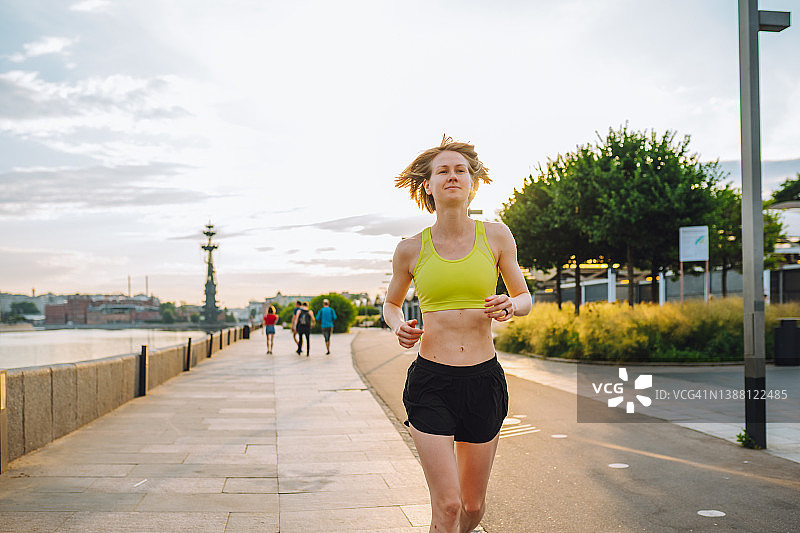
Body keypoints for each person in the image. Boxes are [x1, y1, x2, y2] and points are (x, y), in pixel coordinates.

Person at [383, 136, 532, 533]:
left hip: (484, 381)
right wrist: (399, 327)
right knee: (447, 506)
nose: (453, 176)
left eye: (461, 170)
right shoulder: (410, 249)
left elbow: (524, 296)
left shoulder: (497, 236)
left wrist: (510, 305)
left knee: (472, 507)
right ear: (428, 186)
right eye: (443, 171)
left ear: (473, 183)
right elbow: (391, 304)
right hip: (432, 382)